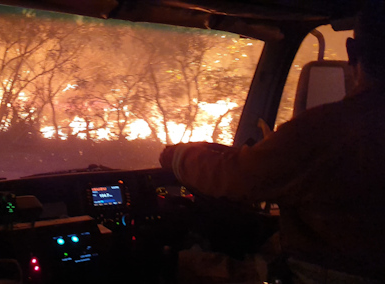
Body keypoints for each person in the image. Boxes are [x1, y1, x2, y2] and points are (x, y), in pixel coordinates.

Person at [160, 2, 385, 283]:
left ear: (352, 52)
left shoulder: (330, 128)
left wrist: (177, 157)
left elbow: (238, 178)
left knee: (175, 264)